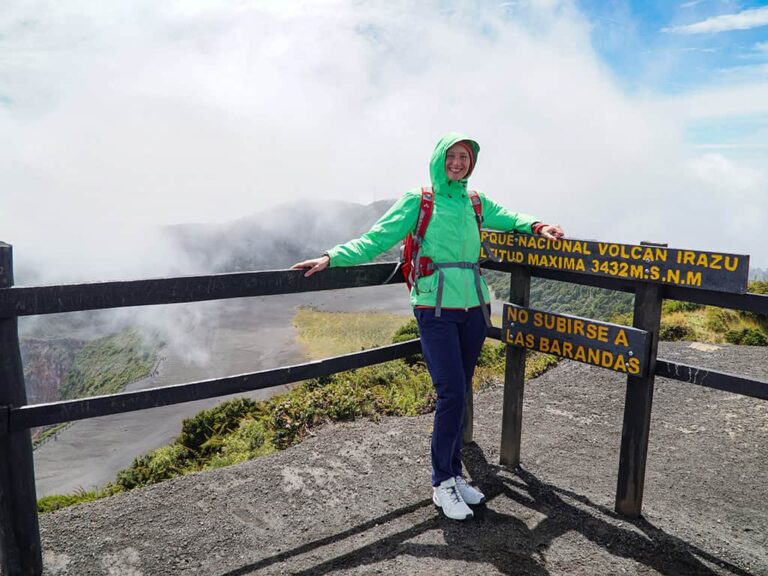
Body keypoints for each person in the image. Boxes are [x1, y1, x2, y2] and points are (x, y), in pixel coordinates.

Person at [292, 132, 564, 520]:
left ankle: (454, 475)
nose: (457, 163)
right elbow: (376, 239)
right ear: (439, 159)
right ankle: (441, 484)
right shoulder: (419, 201)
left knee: (461, 391)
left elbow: (511, 218)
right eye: (451, 156)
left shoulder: (475, 201)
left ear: (472, 163)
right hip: (434, 308)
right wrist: (330, 257)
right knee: (451, 393)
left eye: (464, 157)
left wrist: (538, 226)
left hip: (474, 308)